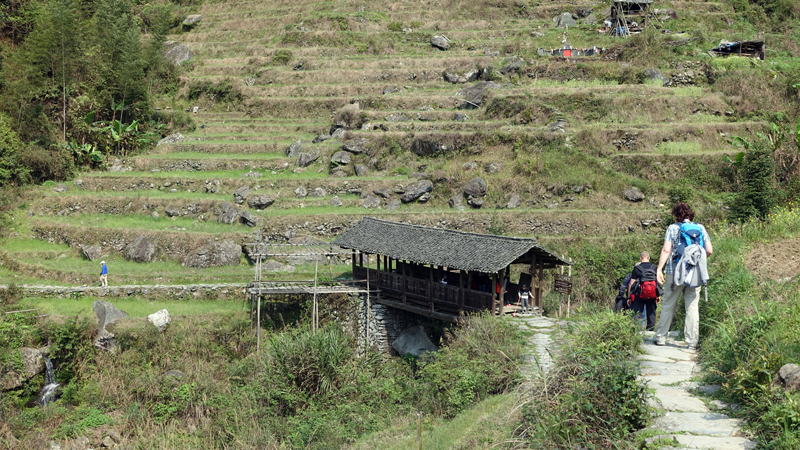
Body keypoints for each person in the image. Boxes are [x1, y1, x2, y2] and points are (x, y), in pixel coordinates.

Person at [654, 203, 713, 350]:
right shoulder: (701, 228)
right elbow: (709, 250)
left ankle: (661, 337)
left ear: (675, 215)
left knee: (668, 304)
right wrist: (696, 262)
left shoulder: (673, 228)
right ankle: (692, 342)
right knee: (692, 307)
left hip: (675, 272)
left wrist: (659, 269)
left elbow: (666, 249)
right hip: (695, 274)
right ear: (690, 214)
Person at [628, 251, 659, 331]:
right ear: (649, 258)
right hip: (652, 295)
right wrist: (658, 295)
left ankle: (638, 332)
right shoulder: (654, 267)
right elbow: (657, 282)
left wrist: (629, 297)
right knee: (651, 314)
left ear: (640, 258)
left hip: (639, 295)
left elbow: (631, 283)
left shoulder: (637, 268)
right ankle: (650, 332)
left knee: (638, 314)